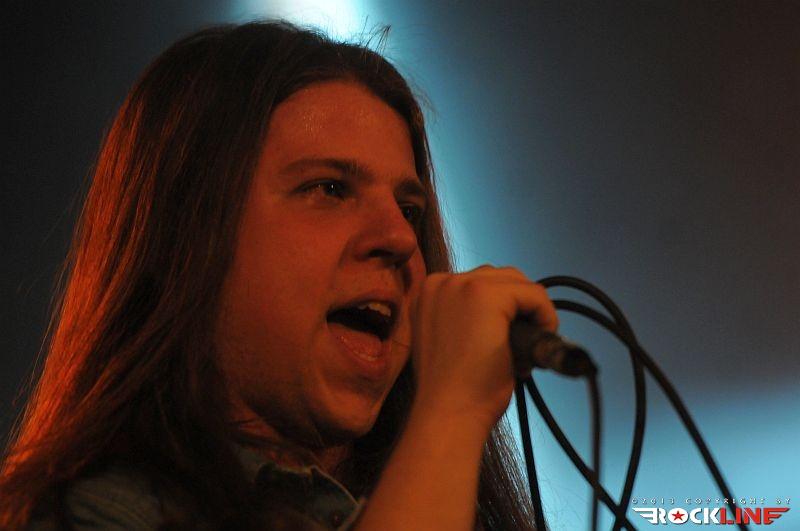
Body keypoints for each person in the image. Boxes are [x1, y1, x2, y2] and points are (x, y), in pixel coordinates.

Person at [0, 21, 558, 530]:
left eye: (409, 210)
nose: (401, 239)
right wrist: (451, 412)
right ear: (189, 232)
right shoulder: (93, 513)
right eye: (330, 188)